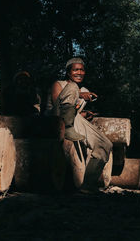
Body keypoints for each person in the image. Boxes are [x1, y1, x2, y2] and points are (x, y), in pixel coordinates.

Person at [45, 57, 112, 188]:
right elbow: (57, 105)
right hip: (55, 119)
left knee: (105, 145)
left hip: (73, 119)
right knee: (73, 87)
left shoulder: (84, 90)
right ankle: (68, 127)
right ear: (68, 72)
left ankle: (87, 185)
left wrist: (85, 114)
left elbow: (73, 111)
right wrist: (81, 95)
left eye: (82, 70)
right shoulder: (59, 84)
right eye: (75, 70)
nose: (79, 73)